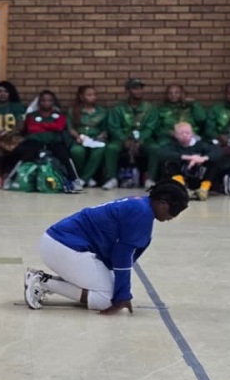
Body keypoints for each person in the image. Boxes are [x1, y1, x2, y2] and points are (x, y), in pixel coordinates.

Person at [24, 180, 189, 314]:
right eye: (174, 211)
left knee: (109, 287)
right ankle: (41, 282)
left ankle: (43, 279)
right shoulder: (142, 213)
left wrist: (121, 291)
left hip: (60, 243)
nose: (173, 217)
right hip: (64, 246)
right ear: (162, 203)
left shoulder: (141, 206)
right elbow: (122, 256)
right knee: (104, 300)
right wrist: (123, 295)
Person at [105, 78, 159, 190]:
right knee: (111, 148)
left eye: (140, 88)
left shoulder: (150, 108)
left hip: (144, 139)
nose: (139, 91)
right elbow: (114, 127)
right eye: (135, 88)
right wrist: (124, 139)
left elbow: (151, 127)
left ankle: (150, 179)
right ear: (128, 91)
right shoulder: (118, 109)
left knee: (154, 148)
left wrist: (141, 140)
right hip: (123, 139)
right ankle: (112, 179)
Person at [157, 122, 222, 201]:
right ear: (175, 135)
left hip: (198, 176)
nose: (184, 135)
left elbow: (217, 152)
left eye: (187, 133)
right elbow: (162, 153)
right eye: (181, 133)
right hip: (182, 176)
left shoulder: (201, 145)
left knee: (213, 163)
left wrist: (202, 158)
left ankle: (203, 189)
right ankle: (182, 188)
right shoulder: (171, 145)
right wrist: (189, 158)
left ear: (192, 134)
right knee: (170, 163)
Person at [67, 85, 108, 189]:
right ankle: (88, 178)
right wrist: (77, 137)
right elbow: (70, 128)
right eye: (89, 95)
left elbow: (105, 129)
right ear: (81, 97)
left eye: (94, 95)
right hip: (80, 139)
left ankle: (83, 179)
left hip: (95, 139)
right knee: (77, 151)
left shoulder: (102, 111)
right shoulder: (73, 111)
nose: (93, 97)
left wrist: (102, 134)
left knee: (100, 150)